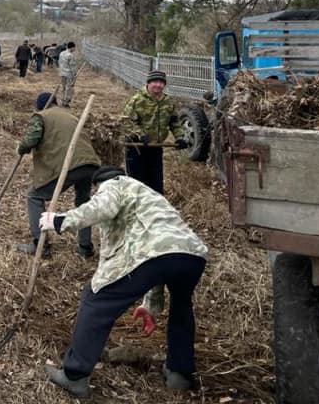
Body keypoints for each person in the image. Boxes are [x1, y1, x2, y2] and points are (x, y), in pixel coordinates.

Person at [37, 165, 208, 397]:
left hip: (156, 254)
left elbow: (102, 208)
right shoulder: (148, 194)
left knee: (96, 300)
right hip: (191, 255)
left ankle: (74, 375)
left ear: (100, 184)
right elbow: (164, 251)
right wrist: (150, 306)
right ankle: (179, 373)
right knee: (181, 307)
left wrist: (59, 221)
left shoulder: (114, 186)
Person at [15, 92, 100, 259]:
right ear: (55, 102)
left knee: (34, 196)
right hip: (90, 163)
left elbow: (31, 140)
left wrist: (20, 148)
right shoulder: (70, 115)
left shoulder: (41, 116)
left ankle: (40, 244)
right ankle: (85, 247)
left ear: (40, 106)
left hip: (69, 163)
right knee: (83, 201)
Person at [121, 70, 189, 195]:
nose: (158, 85)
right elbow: (126, 122)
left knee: (156, 183)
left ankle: (156, 209)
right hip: (137, 147)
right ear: (148, 83)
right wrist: (140, 135)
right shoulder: (137, 100)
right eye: (155, 82)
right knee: (137, 184)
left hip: (156, 147)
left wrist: (180, 137)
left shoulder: (168, 101)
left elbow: (174, 122)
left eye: (161, 82)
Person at [58, 41, 78, 107]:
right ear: (72, 47)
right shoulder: (70, 55)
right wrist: (75, 74)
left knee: (63, 87)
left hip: (61, 73)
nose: (74, 49)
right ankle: (66, 102)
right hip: (68, 74)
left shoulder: (61, 53)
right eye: (74, 48)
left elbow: (59, 62)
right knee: (68, 88)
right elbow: (73, 66)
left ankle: (62, 100)